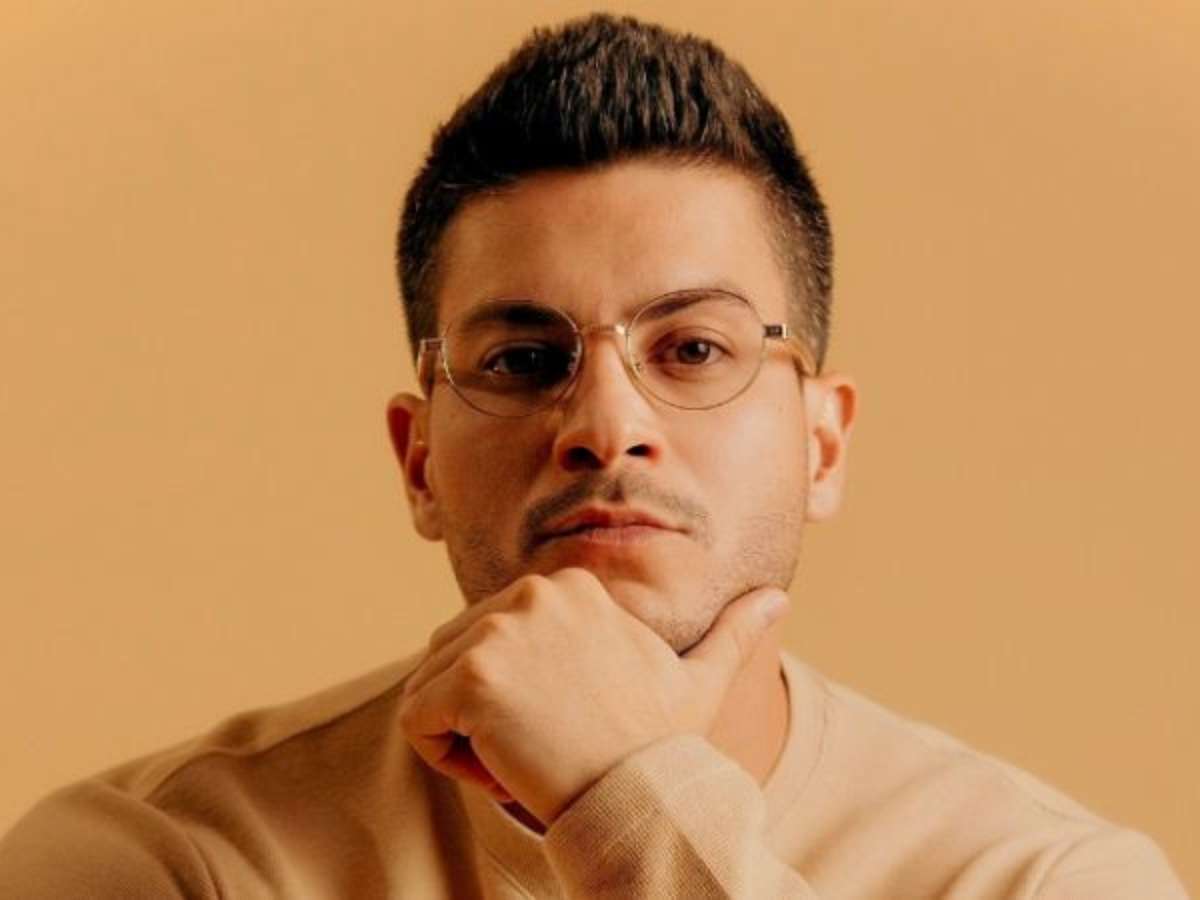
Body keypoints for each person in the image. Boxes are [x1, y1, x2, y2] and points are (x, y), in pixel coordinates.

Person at [0, 13, 1188, 899]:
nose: (605, 425)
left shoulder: (1045, 878)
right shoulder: (171, 863)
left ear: (822, 444)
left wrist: (627, 796)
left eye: (694, 347)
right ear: (418, 463)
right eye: (524, 359)